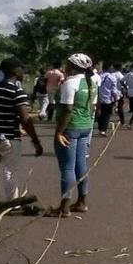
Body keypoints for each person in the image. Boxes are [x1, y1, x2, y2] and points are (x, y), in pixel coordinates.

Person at [0, 58, 43, 206]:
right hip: (10, 137)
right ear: (15, 71)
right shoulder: (17, 92)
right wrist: (36, 141)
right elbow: (25, 119)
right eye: (22, 69)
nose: (24, 72)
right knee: (10, 171)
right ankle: (13, 202)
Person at [52, 53, 98, 217]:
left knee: (67, 167)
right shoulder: (91, 83)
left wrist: (59, 132)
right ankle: (82, 202)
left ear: (72, 66)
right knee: (81, 166)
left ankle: (64, 207)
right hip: (86, 127)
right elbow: (93, 107)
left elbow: (68, 109)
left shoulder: (70, 83)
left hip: (70, 128)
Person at [97, 63, 119, 136]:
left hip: (98, 99)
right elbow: (114, 91)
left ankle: (100, 128)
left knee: (100, 114)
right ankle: (103, 130)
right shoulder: (112, 78)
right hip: (108, 99)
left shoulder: (98, 76)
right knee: (106, 115)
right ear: (110, 68)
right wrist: (116, 100)